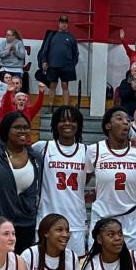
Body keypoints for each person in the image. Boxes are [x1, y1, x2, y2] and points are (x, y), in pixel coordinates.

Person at [0, 112, 42, 252]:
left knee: (21, 268)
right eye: (17, 127)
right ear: (6, 130)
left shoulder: (36, 158)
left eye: (26, 127)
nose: (23, 131)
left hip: (27, 224)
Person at [86, 107, 136, 252]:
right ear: (108, 125)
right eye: (119, 118)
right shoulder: (94, 150)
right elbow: (83, 180)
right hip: (102, 216)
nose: (126, 122)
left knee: (130, 266)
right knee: (97, 265)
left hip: (129, 218)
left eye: (128, 120)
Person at [33, 106, 88, 254]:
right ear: (55, 124)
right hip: (46, 219)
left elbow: (89, 178)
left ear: (79, 125)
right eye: (62, 120)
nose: (67, 124)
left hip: (75, 222)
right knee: (44, 269)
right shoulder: (42, 147)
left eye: (72, 120)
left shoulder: (87, 151)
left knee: (74, 269)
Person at [38, 15, 79, 109]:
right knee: (52, 86)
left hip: (66, 66)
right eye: (62, 23)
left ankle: (65, 108)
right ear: (59, 24)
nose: (64, 25)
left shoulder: (71, 37)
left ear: (67, 24)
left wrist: (72, 65)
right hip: (53, 65)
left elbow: (75, 53)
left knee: (65, 85)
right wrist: (44, 61)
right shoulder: (52, 35)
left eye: (65, 23)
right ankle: (50, 107)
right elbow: (45, 50)